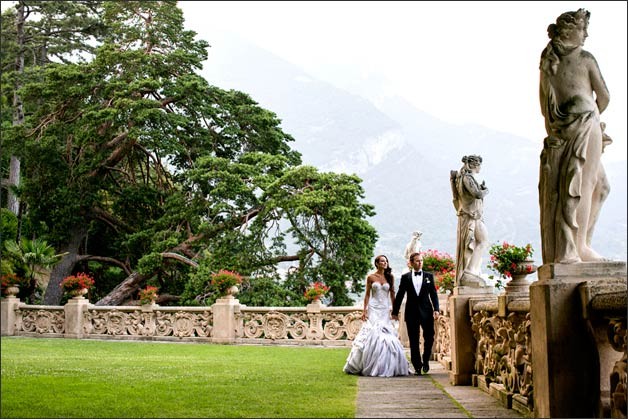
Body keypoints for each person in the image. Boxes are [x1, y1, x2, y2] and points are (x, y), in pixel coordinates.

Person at [538, 8, 611, 264]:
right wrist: (592, 116)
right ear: (571, 31)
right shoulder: (585, 58)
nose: (587, 34)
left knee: (597, 186)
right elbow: (604, 97)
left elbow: (544, 104)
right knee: (586, 184)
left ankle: (582, 245)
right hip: (585, 124)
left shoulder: (548, 61)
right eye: (583, 29)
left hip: (562, 127)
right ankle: (580, 247)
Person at [343, 255, 409, 377]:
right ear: (377, 263)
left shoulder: (390, 277)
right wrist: (364, 310)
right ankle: (367, 363)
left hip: (384, 309)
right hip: (373, 308)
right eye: (382, 261)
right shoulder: (371, 277)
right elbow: (367, 295)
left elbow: (392, 295)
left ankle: (384, 364)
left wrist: (395, 311)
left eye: (386, 261)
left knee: (386, 336)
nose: (385, 263)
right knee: (373, 333)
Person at [392, 252, 439, 375]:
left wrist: (436, 309)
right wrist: (395, 312)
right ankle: (417, 365)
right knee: (414, 340)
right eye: (417, 261)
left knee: (429, 337)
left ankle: (426, 360)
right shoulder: (405, 277)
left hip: (427, 311)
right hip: (411, 312)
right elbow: (400, 294)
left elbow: (433, 294)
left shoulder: (429, 276)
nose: (420, 263)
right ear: (412, 263)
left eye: (421, 260)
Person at [450, 155, 489, 286]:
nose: (480, 167)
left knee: (483, 241)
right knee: (482, 241)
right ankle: (470, 271)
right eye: (479, 165)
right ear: (474, 165)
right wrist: (485, 190)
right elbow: (477, 194)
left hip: (474, 215)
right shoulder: (467, 178)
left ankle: (473, 271)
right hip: (470, 216)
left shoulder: (465, 177)